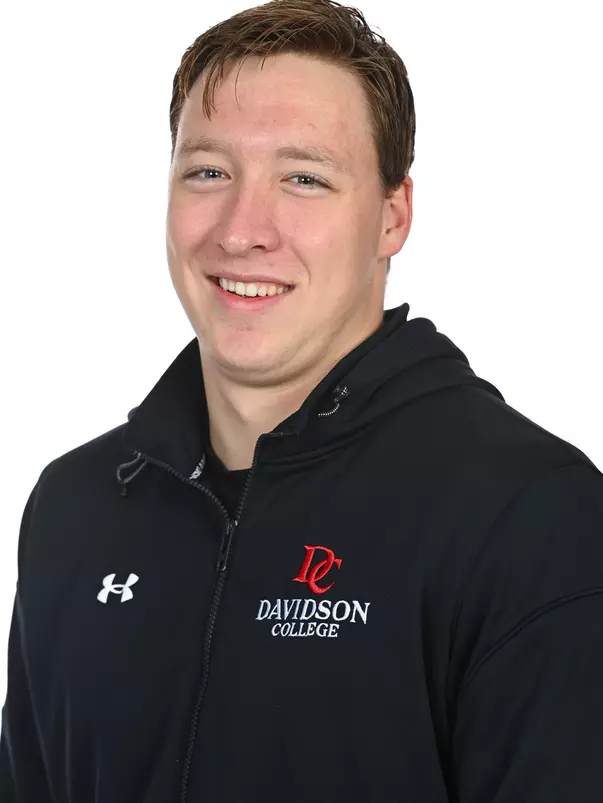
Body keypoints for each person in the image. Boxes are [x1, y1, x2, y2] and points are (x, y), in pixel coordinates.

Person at [2, 0, 603, 800]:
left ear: (392, 216)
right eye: (208, 171)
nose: (242, 229)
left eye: (304, 179)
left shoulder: (529, 515)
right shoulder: (76, 507)